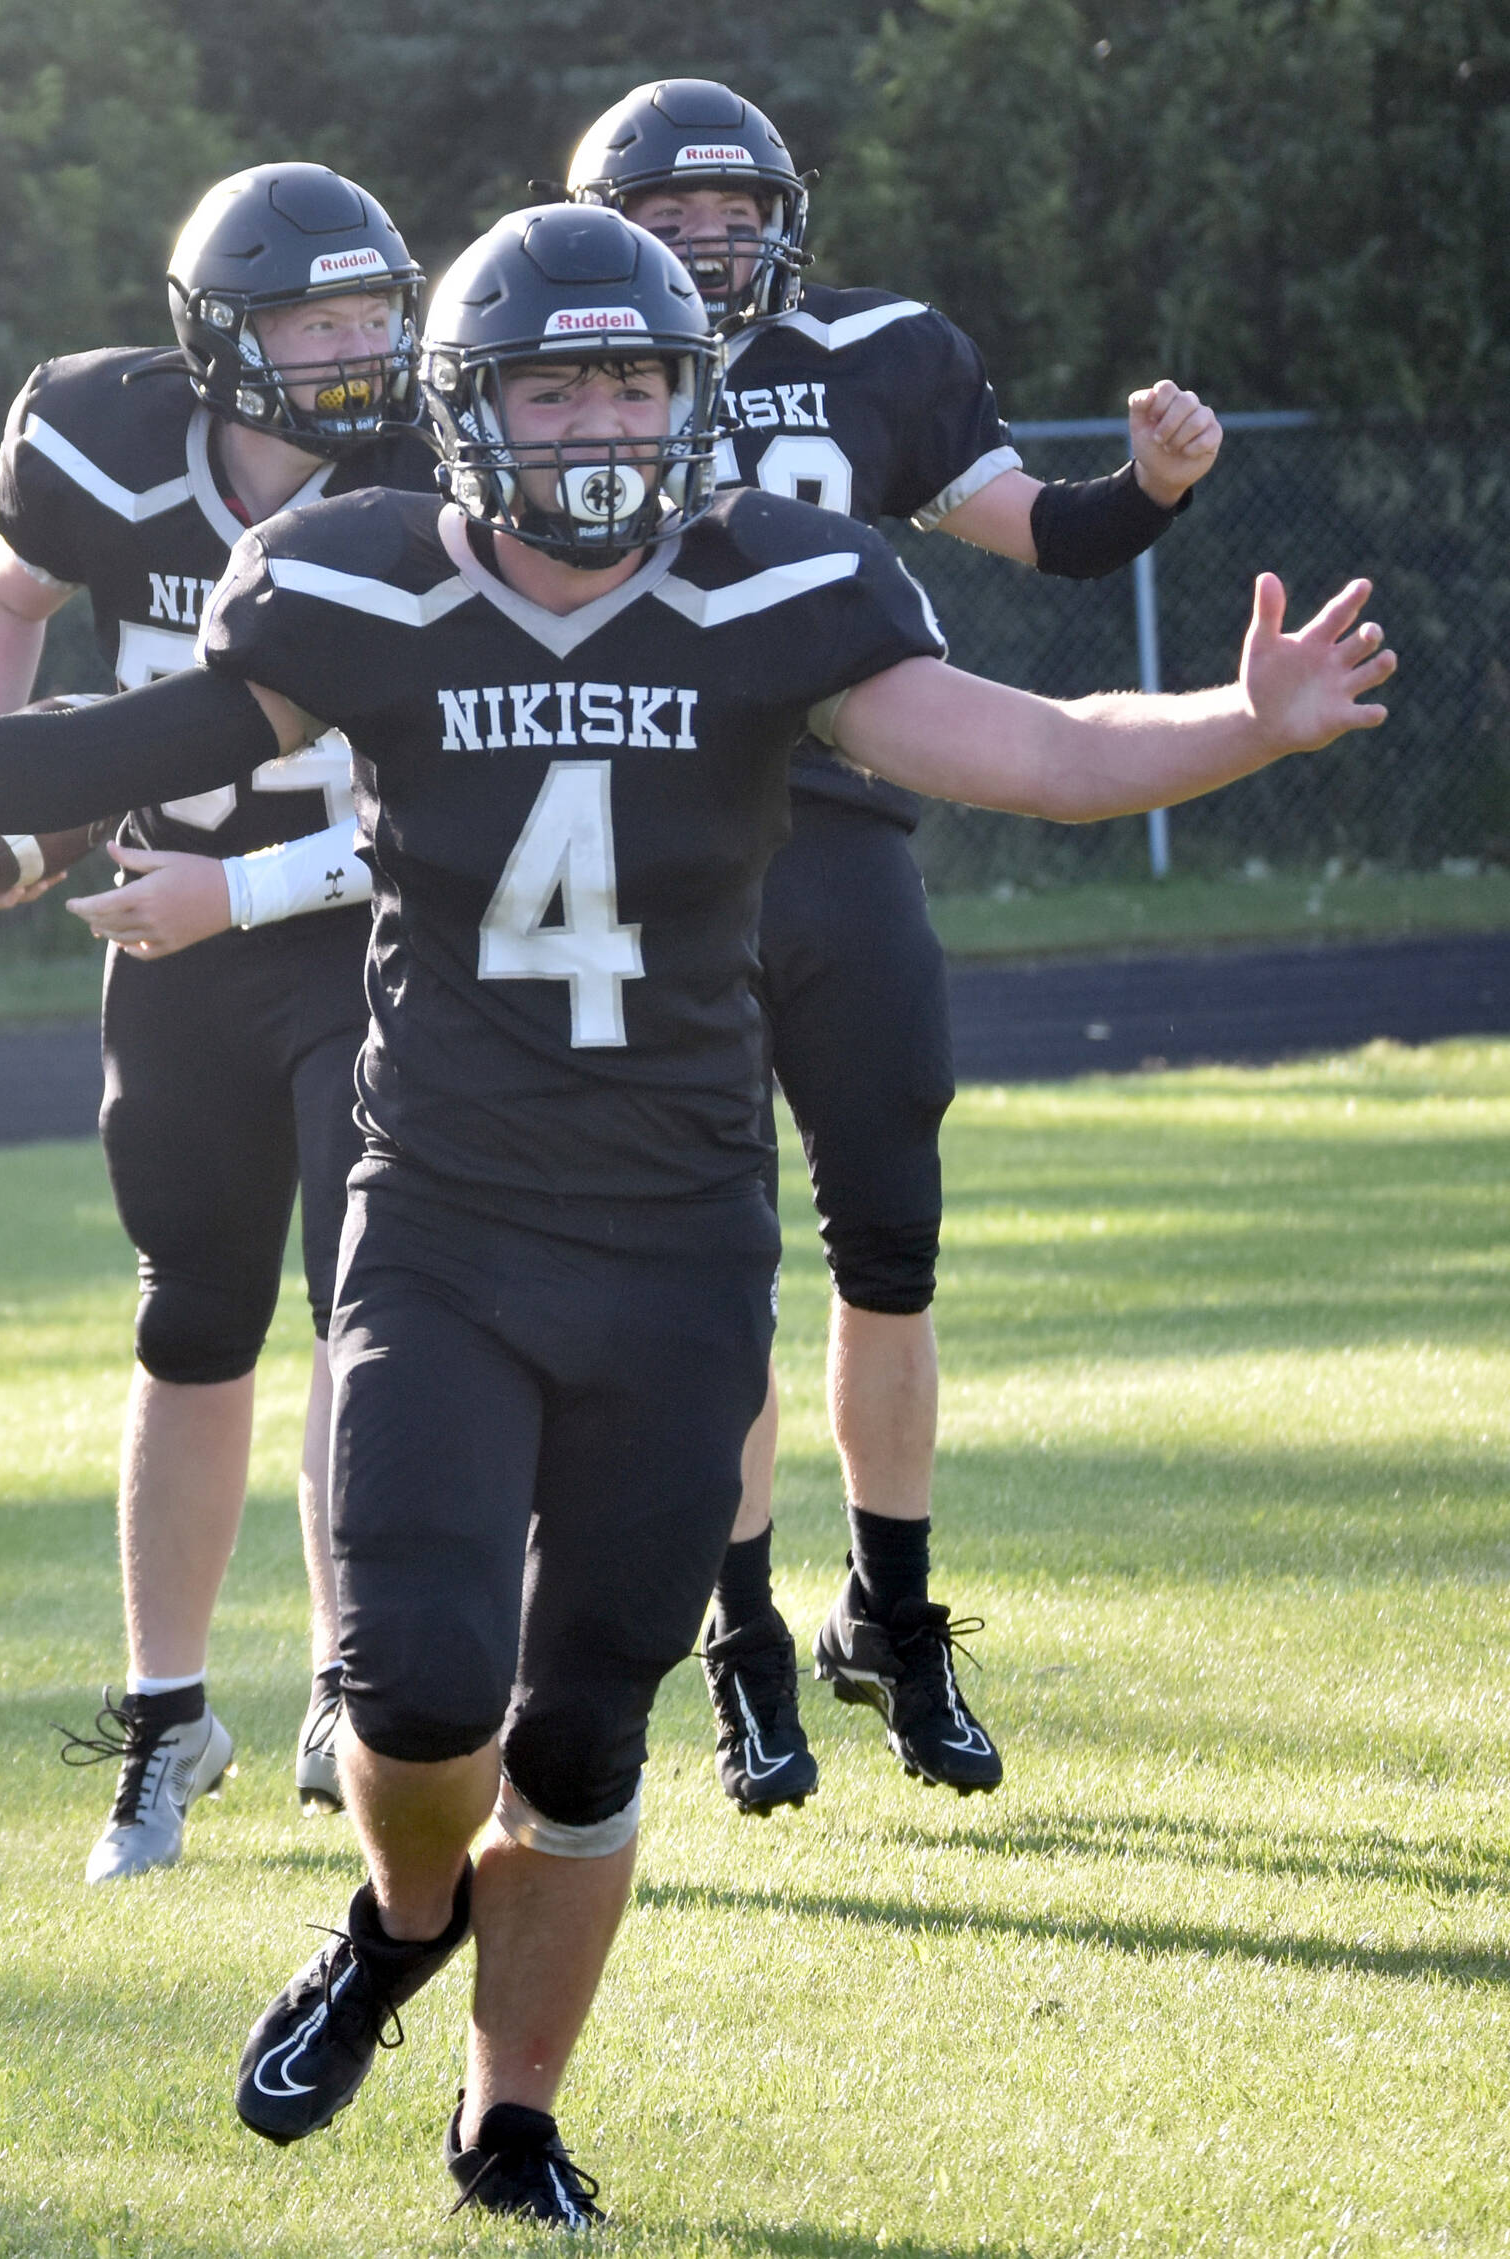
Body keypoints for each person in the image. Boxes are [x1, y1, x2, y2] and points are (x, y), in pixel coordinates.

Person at [0, 204, 1391, 2227]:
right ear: (465, 408)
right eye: (554, 378)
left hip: (682, 1243)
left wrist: (1244, 724)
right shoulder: (354, 584)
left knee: (590, 1731)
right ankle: (401, 1912)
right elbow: (117, 742)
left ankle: (507, 2115)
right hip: (438, 1219)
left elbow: (1039, 751)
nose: (600, 416)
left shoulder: (783, 581)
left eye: (632, 375)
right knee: (422, 1694)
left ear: (693, 394)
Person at [562, 78, 1224, 1809]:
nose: (710, 238)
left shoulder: (885, 352)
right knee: (712, 1272)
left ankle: (894, 1617)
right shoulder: (567, 371)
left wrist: (1146, 487)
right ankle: (743, 1645)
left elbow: (1057, 535)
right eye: (671, 209)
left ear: (791, 212)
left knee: (890, 1247)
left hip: (842, 829)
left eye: (736, 206)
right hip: (658, 846)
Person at [0, 161, 438, 1878]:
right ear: (224, 338)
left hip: (360, 936)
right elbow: (3, 600)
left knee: (359, 1312)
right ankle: (168, 1714)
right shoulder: (97, 442)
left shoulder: (435, 484)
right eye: (322, 319)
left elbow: (454, 796)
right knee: (188, 1323)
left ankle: (341, 1686)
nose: (364, 347)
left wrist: (233, 893)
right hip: (174, 956)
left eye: (379, 309)